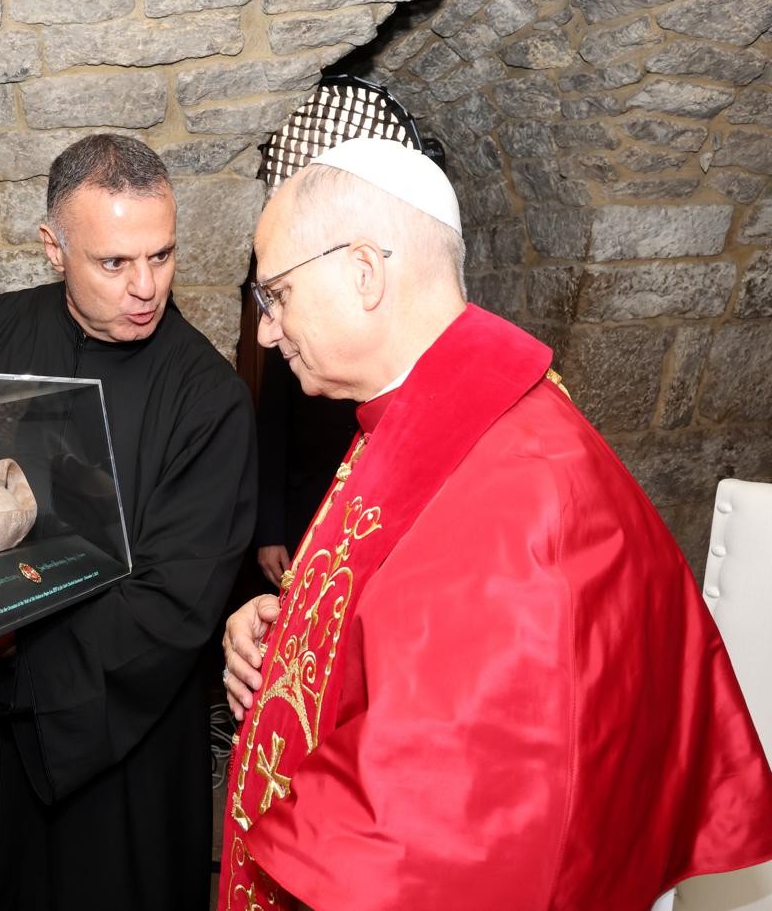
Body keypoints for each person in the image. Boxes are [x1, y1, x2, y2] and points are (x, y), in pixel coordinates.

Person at [218, 137, 772, 911]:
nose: (268, 331)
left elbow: (440, 833)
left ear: (364, 272)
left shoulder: (512, 481)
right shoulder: (432, 413)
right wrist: (294, 633)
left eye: (276, 294)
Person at [0, 133, 258, 911]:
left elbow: (177, 600)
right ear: (53, 248)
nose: (145, 287)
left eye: (162, 255)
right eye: (114, 262)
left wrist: (16, 654)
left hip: (112, 739)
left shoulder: (207, 398)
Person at [253, 347, 357, 589]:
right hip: (303, 511)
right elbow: (271, 436)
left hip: (369, 510)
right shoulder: (286, 336)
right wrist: (269, 534)